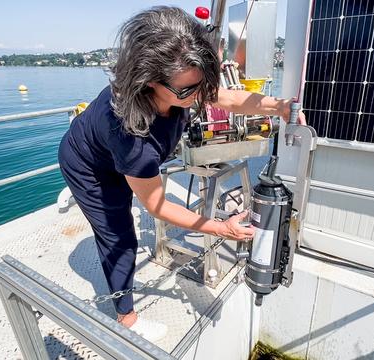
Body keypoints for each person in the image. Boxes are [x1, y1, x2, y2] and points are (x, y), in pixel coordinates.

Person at [58, 6, 305, 342]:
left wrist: (278, 107)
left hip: (119, 154)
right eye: (188, 92)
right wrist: (221, 228)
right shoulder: (132, 138)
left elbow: (229, 99)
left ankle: (128, 182)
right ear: (149, 82)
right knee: (119, 236)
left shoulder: (186, 82)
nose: (199, 96)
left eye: (203, 84)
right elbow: (157, 207)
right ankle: (125, 318)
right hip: (90, 167)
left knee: (133, 193)